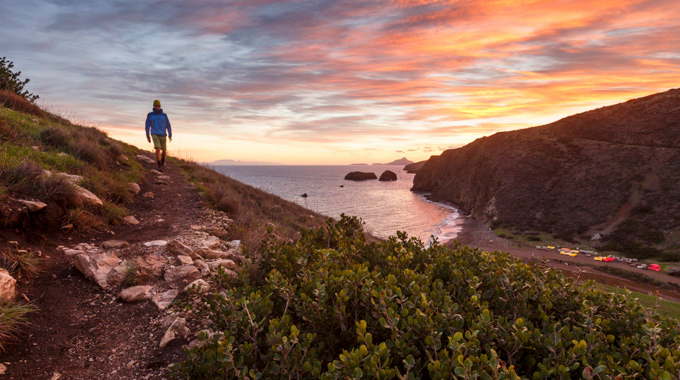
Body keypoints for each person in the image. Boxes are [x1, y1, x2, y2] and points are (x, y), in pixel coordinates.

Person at [145, 99, 172, 171]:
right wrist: (148, 136)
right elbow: (147, 126)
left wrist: (170, 135)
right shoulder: (150, 115)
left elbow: (168, 125)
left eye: (158, 106)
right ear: (154, 106)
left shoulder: (164, 115)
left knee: (164, 151)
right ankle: (159, 165)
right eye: (156, 106)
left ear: (160, 106)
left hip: (163, 134)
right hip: (154, 134)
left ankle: (162, 162)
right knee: (158, 148)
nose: (157, 107)